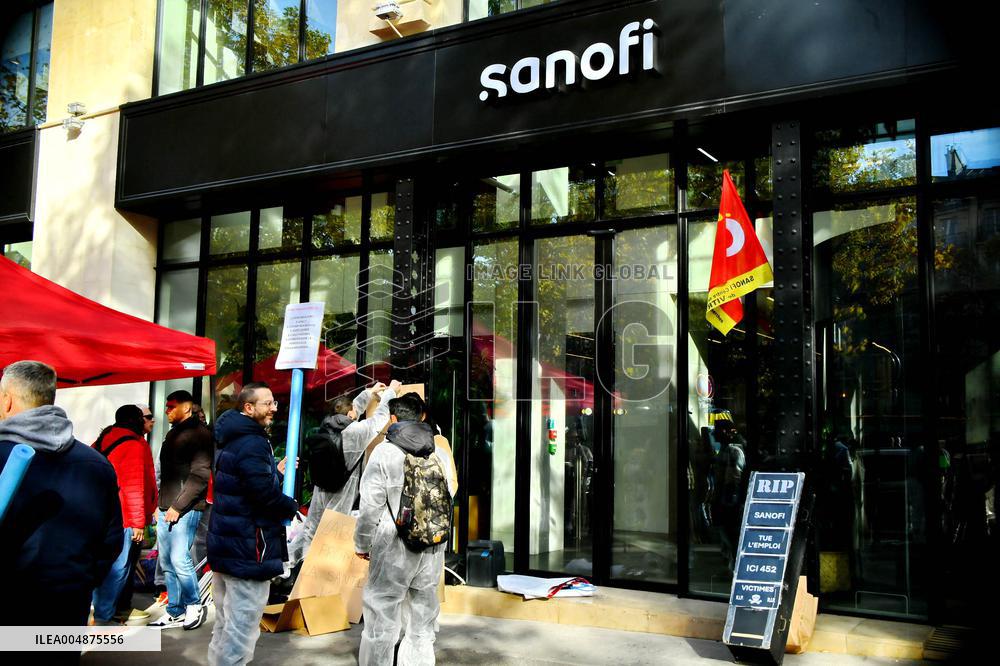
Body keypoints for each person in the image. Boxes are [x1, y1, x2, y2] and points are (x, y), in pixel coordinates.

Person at [0, 361, 122, 664]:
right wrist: (79, 581)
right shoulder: (97, 464)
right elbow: (110, 541)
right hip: (67, 606)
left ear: (7, 400)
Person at [354, 393, 457, 666]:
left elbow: (370, 507)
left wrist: (362, 545)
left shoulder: (384, 452)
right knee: (422, 622)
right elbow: (448, 497)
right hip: (431, 547)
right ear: (423, 417)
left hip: (393, 545)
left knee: (381, 620)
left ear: (393, 419)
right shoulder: (440, 452)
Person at [207, 382, 299, 666]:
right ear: (248, 407)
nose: (274, 408)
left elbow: (245, 484)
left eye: (274, 403)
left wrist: (275, 472)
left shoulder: (233, 438)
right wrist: (290, 506)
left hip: (230, 544)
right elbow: (260, 494)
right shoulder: (252, 442)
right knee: (242, 625)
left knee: (225, 622)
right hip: (249, 546)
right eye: (267, 403)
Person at [288, 382, 397, 566]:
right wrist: (391, 391)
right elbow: (378, 419)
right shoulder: (356, 432)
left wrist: (368, 393)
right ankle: (314, 575)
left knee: (310, 530)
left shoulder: (327, 425)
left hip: (321, 486)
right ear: (350, 414)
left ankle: (287, 565)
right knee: (332, 535)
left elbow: (350, 411)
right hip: (341, 488)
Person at [150, 389, 213, 630]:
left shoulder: (200, 434)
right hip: (167, 507)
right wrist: (160, 506)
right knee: (167, 561)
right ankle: (175, 610)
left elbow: (200, 475)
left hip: (184, 508)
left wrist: (177, 506)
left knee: (179, 559)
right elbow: (166, 475)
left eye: (171, 406)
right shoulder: (173, 434)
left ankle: (193, 605)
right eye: (166, 406)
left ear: (186, 408)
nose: (166, 410)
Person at [91, 405, 158, 625]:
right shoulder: (134, 444)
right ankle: (104, 616)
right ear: (136, 420)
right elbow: (134, 486)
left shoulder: (104, 438)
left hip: (101, 511)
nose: (149, 421)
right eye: (145, 417)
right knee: (118, 567)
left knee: (105, 563)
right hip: (124, 516)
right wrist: (139, 523)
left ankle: (101, 610)